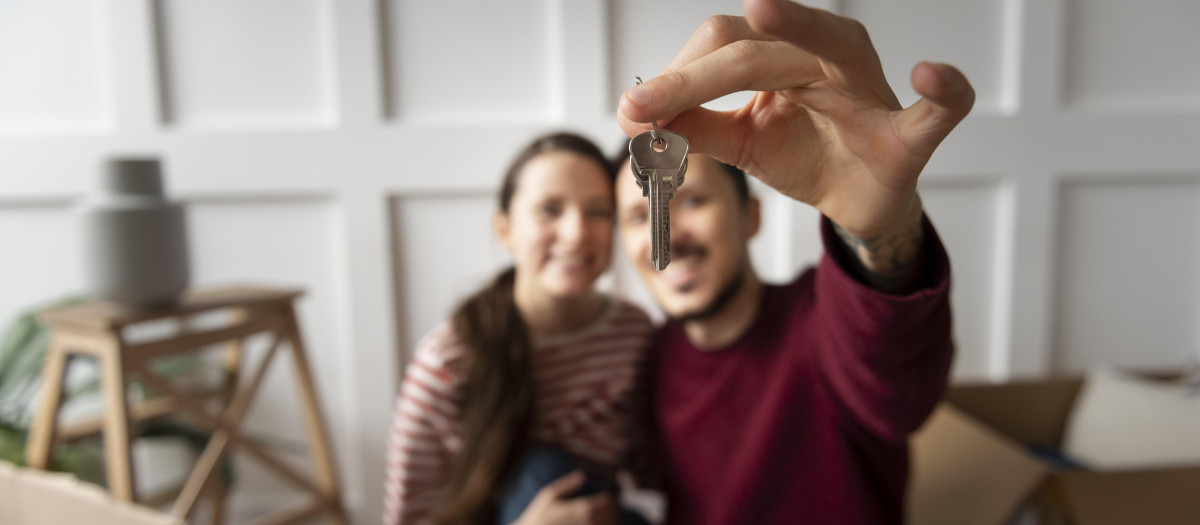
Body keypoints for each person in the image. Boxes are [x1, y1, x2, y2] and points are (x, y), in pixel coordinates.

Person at [612, 1, 974, 523]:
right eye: (634, 215)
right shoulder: (648, 359)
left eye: (692, 200)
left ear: (750, 217)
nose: (670, 234)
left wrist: (876, 229)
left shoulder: (820, 317)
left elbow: (900, 390)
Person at [383, 132, 654, 525]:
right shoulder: (448, 362)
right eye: (549, 209)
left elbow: (650, 466)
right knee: (539, 472)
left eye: (598, 211)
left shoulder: (634, 332)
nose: (577, 232)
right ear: (505, 228)